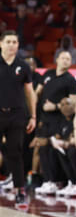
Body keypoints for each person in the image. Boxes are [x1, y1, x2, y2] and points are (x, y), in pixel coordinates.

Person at [0, 30, 36, 205]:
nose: (12, 45)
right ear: (1, 44)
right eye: (8, 41)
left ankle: (19, 190)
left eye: (15, 42)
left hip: (17, 114)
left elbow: (30, 93)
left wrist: (33, 116)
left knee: (15, 152)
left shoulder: (23, 66)